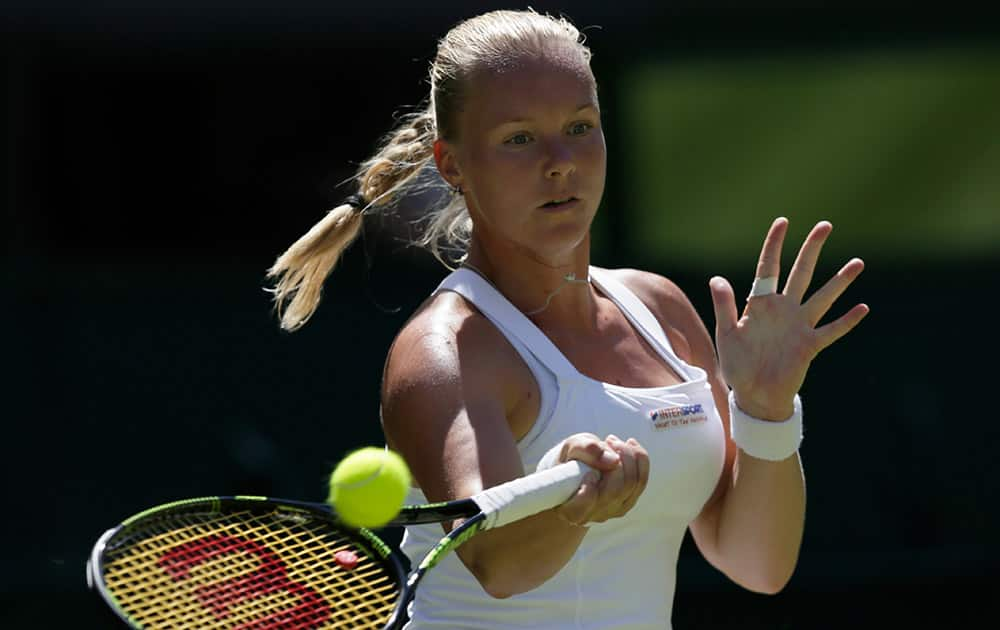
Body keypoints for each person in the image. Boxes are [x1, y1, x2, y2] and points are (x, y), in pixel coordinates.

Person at [266, 8, 868, 629]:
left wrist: (766, 411)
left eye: (580, 127)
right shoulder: (445, 350)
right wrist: (569, 505)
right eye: (519, 138)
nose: (561, 162)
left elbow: (757, 564)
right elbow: (497, 562)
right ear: (452, 164)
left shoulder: (660, 310)